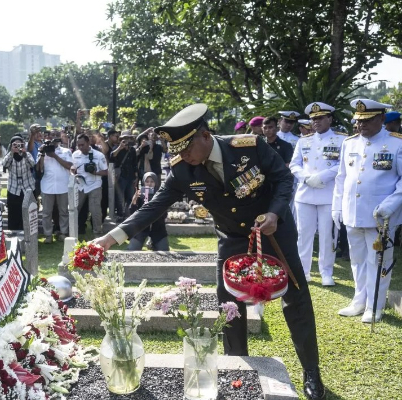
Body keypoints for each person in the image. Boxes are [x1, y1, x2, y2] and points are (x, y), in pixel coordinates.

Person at [95, 103, 325, 400]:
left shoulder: (250, 146)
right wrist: (108, 240)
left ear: (205, 136)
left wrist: (274, 213)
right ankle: (238, 367)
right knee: (229, 307)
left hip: (273, 233)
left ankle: (311, 372)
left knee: (295, 299)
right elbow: (153, 208)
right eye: (176, 149)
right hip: (231, 238)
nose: (182, 155)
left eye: (186, 148)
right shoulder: (182, 170)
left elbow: (283, 178)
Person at [333, 99, 401, 323]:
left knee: (378, 261)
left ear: (381, 119)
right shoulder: (350, 143)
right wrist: (337, 206)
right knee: (357, 259)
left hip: (381, 217)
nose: (362, 125)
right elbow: (341, 178)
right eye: (359, 120)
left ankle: (375, 305)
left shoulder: (396, 144)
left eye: (368, 120)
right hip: (353, 213)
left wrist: (390, 205)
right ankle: (359, 300)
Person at [290, 102, 346, 286]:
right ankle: (303, 271)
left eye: (320, 118)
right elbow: (294, 165)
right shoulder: (303, 141)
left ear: (329, 119)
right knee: (303, 234)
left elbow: (343, 165)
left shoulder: (342, 140)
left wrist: (322, 177)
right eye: (313, 119)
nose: (316, 122)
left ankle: (326, 272)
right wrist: (306, 178)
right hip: (305, 194)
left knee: (327, 235)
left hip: (328, 194)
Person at [36, 136, 72, 243]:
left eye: (54, 141)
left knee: (63, 211)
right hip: (47, 186)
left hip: (63, 185)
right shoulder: (42, 151)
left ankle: (63, 233)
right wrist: (42, 153)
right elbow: (39, 168)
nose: (52, 143)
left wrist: (54, 156)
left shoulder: (66, 151)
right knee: (46, 212)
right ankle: (48, 235)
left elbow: (69, 165)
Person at [71, 133, 108, 236]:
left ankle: (97, 232)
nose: (80, 147)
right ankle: (73, 231)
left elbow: (106, 171)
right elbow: (72, 168)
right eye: (79, 145)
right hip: (80, 185)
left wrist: (95, 172)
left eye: (82, 144)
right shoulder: (75, 154)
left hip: (94, 185)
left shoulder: (98, 155)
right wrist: (72, 172)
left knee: (95, 209)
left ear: (88, 143)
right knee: (75, 209)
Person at [1, 136, 36, 230]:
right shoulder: (9, 155)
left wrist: (24, 153)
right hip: (13, 188)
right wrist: (12, 152)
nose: (17, 147)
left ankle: (28, 235)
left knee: (28, 212)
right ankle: (13, 233)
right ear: (11, 146)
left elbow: (32, 164)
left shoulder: (27, 154)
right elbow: (4, 164)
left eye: (19, 144)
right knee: (13, 213)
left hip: (27, 187)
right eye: (15, 145)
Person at [127, 172, 168, 250]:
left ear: (156, 183)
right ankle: (148, 242)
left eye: (152, 181)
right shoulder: (139, 194)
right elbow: (131, 213)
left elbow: (165, 214)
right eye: (147, 181)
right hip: (140, 228)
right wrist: (134, 201)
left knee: (164, 251)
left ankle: (152, 242)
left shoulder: (160, 194)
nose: (149, 184)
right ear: (143, 182)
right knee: (132, 250)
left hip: (158, 228)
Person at [110, 132, 138, 221]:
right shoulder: (117, 148)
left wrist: (136, 176)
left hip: (131, 176)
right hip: (121, 176)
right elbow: (111, 156)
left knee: (130, 196)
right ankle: (120, 215)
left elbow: (135, 163)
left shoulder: (132, 150)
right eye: (125, 138)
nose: (127, 140)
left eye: (129, 138)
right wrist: (120, 148)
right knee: (119, 197)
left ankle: (128, 213)